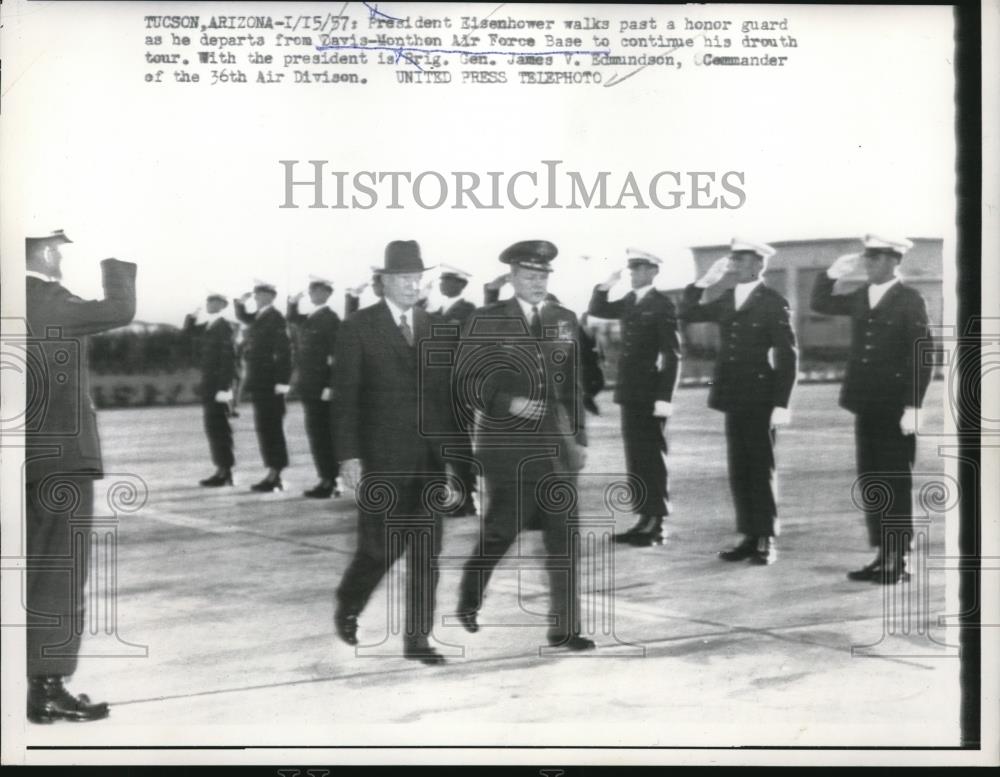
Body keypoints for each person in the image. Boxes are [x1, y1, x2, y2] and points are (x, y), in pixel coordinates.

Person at [456, 240, 594, 651]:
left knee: (563, 539)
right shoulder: (487, 319)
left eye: (543, 276)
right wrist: (506, 401)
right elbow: (465, 381)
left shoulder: (564, 318)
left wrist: (580, 439)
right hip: (507, 448)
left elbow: (574, 383)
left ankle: (565, 628)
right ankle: (469, 598)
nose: (537, 283)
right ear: (512, 278)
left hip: (556, 448)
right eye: (530, 276)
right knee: (500, 532)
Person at [24, 228, 136, 723]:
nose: (62, 261)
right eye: (59, 252)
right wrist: (121, 257)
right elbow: (118, 310)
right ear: (46, 253)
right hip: (60, 461)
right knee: (58, 573)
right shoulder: (47, 298)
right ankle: (47, 687)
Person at [332, 241, 457, 665]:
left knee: (427, 553)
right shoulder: (358, 327)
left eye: (417, 278)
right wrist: (348, 456)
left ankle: (418, 640)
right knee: (379, 550)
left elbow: (447, 399)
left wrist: (457, 459)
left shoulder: (435, 326)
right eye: (404, 278)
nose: (411, 285)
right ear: (384, 281)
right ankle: (349, 602)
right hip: (381, 458)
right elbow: (345, 398)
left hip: (430, 462)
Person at [810, 234, 933, 584]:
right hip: (865, 403)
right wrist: (832, 273)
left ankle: (900, 559)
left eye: (876, 258)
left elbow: (921, 354)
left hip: (895, 406)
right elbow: (821, 303)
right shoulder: (862, 296)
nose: (869, 264)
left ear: (894, 261)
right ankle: (882, 554)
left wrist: (913, 405)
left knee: (894, 481)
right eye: (867, 258)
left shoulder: (909, 299)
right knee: (872, 480)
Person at [679, 239, 798, 565]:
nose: (734, 264)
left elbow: (788, 354)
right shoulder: (728, 298)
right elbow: (688, 313)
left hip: (761, 397)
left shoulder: (773, 301)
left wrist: (782, 402)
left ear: (758, 265)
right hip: (734, 396)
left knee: (760, 469)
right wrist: (702, 283)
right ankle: (748, 534)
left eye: (741, 259)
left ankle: (765, 539)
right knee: (740, 470)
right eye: (733, 259)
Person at [588, 248, 681, 547]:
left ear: (653, 271)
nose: (633, 275)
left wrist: (665, 396)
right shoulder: (630, 301)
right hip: (630, 391)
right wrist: (605, 285)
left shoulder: (662, 304)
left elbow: (672, 354)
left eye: (640, 269)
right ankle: (643, 517)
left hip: (651, 393)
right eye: (631, 270)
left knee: (652, 458)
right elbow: (599, 310)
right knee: (637, 459)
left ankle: (657, 523)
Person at [233, 280, 292, 492]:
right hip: (260, 383)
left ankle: (275, 475)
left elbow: (285, 352)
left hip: (271, 383)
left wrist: (283, 382)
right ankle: (272, 473)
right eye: (255, 295)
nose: (256, 298)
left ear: (269, 296)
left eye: (259, 295)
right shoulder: (260, 317)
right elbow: (244, 316)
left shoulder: (275, 318)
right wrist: (239, 303)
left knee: (272, 429)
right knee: (265, 429)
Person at [287, 276, 342, 498]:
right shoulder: (310, 317)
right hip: (309, 386)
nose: (312, 294)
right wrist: (292, 302)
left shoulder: (331, 319)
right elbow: (291, 317)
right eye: (311, 291)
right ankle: (325, 478)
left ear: (327, 293)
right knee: (316, 435)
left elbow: (337, 355)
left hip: (322, 388)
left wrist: (331, 384)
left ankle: (332, 481)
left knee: (324, 436)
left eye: (317, 291)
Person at [182, 293, 238, 486]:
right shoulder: (209, 326)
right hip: (210, 386)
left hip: (219, 388)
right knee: (213, 429)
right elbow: (188, 333)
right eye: (208, 301)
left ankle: (226, 471)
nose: (209, 305)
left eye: (214, 302)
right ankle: (221, 469)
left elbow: (229, 360)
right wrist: (192, 316)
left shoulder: (225, 327)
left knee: (220, 430)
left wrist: (224, 388)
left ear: (222, 305)